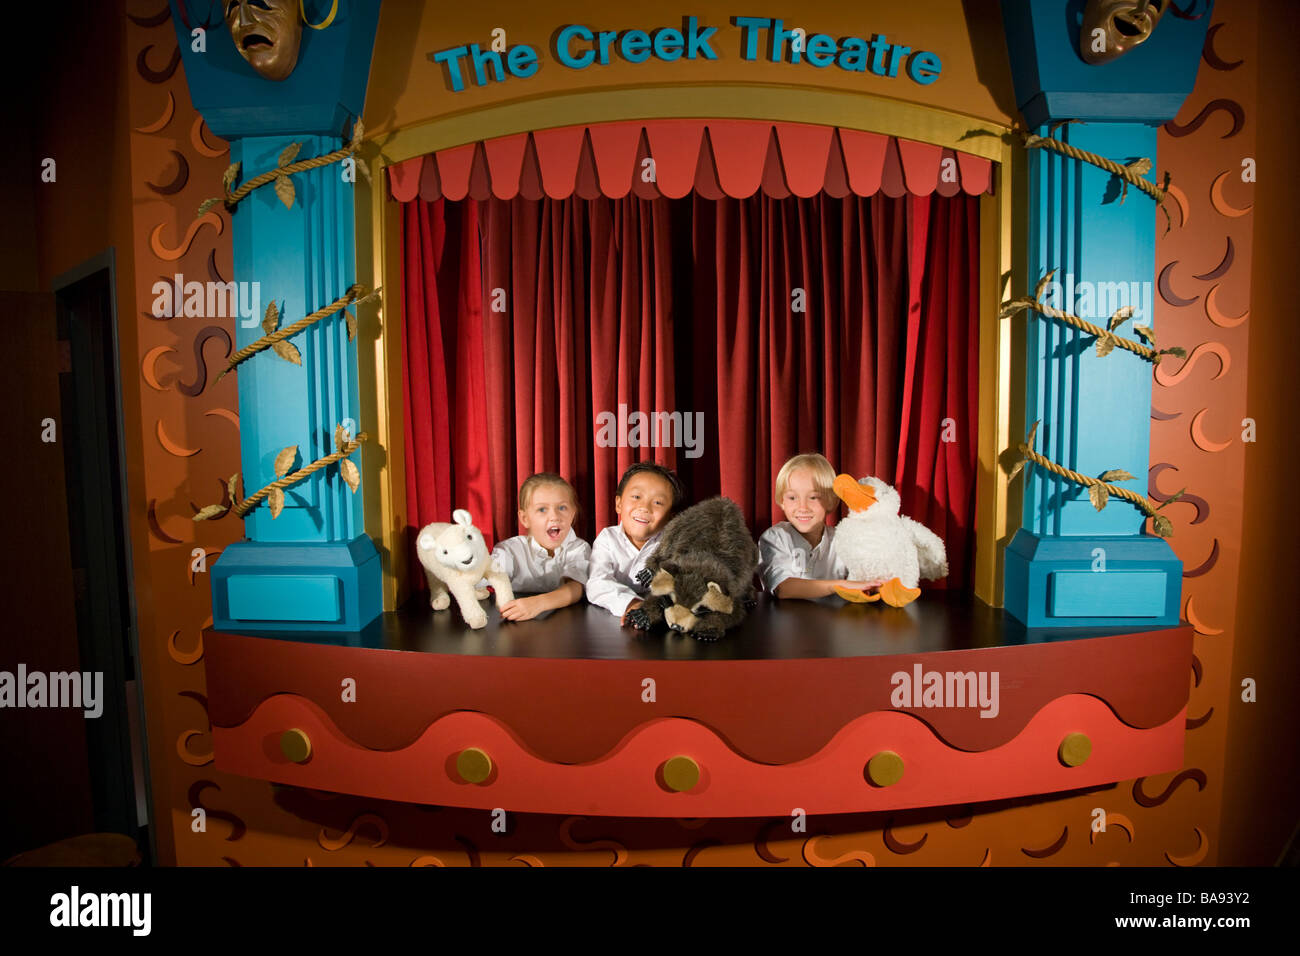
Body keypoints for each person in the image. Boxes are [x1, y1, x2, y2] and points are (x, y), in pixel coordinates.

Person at [758, 453, 883, 600]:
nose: (802, 507)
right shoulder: (775, 538)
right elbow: (783, 588)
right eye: (792, 498)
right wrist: (838, 585)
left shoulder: (843, 540)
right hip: (782, 621)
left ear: (830, 501)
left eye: (813, 497)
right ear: (782, 502)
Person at [585, 461, 683, 622]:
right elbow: (597, 583)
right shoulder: (607, 539)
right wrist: (632, 602)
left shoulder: (673, 546)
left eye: (658, 502)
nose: (644, 507)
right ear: (619, 504)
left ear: (671, 517)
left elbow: (677, 587)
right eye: (636, 497)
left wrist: (653, 607)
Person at [492, 473, 591, 621]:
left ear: (573, 514)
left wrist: (537, 604)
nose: (554, 516)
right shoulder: (509, 551)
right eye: (542, 510)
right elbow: (488, 582)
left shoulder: (579, 548)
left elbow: (575, 588)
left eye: (562, 507)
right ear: (525, 519)